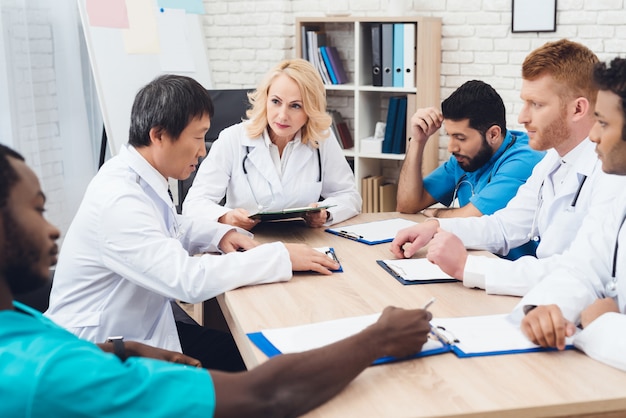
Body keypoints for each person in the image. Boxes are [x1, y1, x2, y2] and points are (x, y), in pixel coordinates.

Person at [0, 142, 434, 416]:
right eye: (38, 210)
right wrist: (378, 338)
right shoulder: (49, 374)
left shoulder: (17, 319)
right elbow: (266, 396)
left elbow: (173, 227)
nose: (54, 228)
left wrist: (124, 348)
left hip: (123, 338)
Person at [45, 74, 341, 372]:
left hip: (139, 330)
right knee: (260, 367)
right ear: (159, 135)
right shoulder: (119, 199)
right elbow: (188, 280)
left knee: (253, 355)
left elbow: (171, 226)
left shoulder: (138, 177)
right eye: (198, 137)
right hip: (96, 353)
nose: (202, 150)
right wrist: (279, 256)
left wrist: (220, 233)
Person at [390, 39, 626, 296]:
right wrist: (437, 228)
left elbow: (581, 272)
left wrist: (468, 266)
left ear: (578, 109)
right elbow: (505, 227)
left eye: (536, 104)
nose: (522, 117)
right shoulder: (552, 161)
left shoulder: (612, 173)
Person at [517, 57, 626, 372]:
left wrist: (596, 322)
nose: (592, 135)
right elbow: (582, 267)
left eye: (603, 123)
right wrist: (546, 309)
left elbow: (600, 314)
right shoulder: (619, 187)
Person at [182, 58, 361, 230]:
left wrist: (326, 213)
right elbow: (194, 204)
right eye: (276, 102)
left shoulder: (321, 140)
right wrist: (226, 217)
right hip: (246, 240)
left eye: (295, 106)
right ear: (265, 100)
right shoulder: (232, 139)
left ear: (310, 110)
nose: (282, 115)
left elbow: (349, 196)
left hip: (304, 240)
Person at [397, 80, 544, 221]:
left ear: (493, 134)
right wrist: (418, 141)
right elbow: (407, 205)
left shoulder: (525, 159)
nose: (451, 148)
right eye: (450, 136)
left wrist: (436, 212)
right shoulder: (464, 159)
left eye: (460, 138)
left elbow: (474, 217)